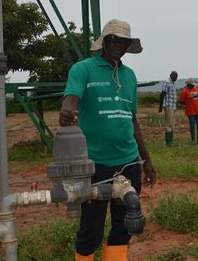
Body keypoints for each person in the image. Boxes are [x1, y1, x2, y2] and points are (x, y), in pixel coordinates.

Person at [59, 19, 157, 261]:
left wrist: (147, 160)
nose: (118, 45)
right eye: (113, 39)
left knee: (124, 226)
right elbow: (71, 98)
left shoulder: (129, 76)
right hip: (95, 163)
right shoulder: (83, 69)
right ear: (104, 41)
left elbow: (132, 119)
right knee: (91, 228)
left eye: (124, 41)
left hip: (128, 161)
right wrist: (67, 111)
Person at [179, 78, 198, 143]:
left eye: (193, 84)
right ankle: (193, 140)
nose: (193, 85)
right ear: (188, 84)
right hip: (190, 111)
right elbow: (181, 101)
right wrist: (187, 103)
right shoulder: (184, 91)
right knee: (192, 125)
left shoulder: (196, 89)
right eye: (191, 84)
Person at [159, 71, 178, 146]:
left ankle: (171, 141)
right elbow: (162, 94)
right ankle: (168, 143)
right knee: (169, 124)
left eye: (176, 76)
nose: (176, 77)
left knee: (172, 124)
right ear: (170, 75)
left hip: (173, 106)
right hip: (168, 106)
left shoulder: (173, 83)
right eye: (174, 76)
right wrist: (160, 106)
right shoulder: (167, 82)